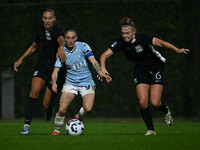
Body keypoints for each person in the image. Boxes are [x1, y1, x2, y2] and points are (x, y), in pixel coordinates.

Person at [100, 17, 190, 135]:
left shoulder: (143, 38)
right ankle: (151, 130)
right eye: (123, 33)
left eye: (127, 33)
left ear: (133, 32)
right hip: (140, 70)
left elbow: (161, 42)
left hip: (155, 67)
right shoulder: (120, 42)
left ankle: (166, 110)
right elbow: (104, 55)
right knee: (142, 102)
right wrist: (103, 68)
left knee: (155, 102)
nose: (125, 35)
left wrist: (177, 50)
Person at [14, 8, 66, 135]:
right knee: (35, 90)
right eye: (45, 18)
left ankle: (50, 108)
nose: (47, 21)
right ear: (42, 19)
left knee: (46, 104)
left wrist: (60, 47)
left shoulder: (56, 30)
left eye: (50, 18)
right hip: (42, 65)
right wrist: (21, 59)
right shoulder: (40, 32)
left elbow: (62, 41)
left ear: (54, 19)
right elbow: (33, 47)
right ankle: (26, 125)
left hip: (55, 69)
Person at [51, 28, 112, 135]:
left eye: (73, 38)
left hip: (87, 82)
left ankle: (78, 117)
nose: (70, 40)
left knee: (88, 108)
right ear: (64, 39)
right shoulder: (62, 52)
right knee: (61, 110)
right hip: (71, 83)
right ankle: (56, 131)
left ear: (76, 38)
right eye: (68, 38)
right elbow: (56, 71)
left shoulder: (83, 46)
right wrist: (54, 83)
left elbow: (93, 61)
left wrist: (101, 72)